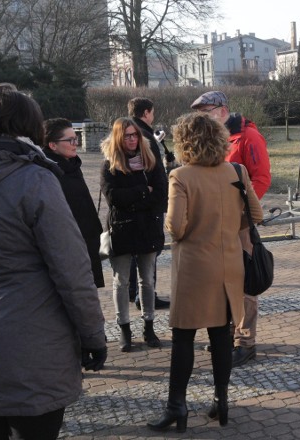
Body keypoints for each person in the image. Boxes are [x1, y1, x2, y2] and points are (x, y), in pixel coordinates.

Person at [0, 84, 106, 440]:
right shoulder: (35, 179)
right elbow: (72, 269)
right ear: (31, 127)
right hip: (32, 341)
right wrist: (93, 335)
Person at [148, 112, 262, 432]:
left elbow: (176, 227)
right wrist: (226, 231)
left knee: (184, 337)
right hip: (229, 265)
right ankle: (221, 402)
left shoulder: (181, 175)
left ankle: (177, 406)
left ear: (185, 142)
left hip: (194, 268)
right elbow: (256, 214)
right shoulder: (236, 170)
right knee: (221, 335)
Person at [190, 90, 271, 367]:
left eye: (207, 111)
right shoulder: (211, 140)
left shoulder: (249, 137)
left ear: (223, 111)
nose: (203, 117)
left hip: (239, 226)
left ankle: (245, 343)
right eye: (199, 113)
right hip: (215, 225)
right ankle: (224, 335)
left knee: (244, 286)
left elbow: (261, 178)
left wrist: (243, 210)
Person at [100, 117, 167, 351]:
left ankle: (149, 327)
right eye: (127, 135)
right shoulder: (110, 163)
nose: (132, 139)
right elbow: (114, 198)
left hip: (148, 228)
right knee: (121, 282)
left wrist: (135, 197)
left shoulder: (150, 160)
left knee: (147, 281)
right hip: (122, 229)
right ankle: (124, 329)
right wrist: (142, 192)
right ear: (119, 137)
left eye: (135, 135)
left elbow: (160, 193)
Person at [43, 118, 105, 288]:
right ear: (53, 145)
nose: (75, 143)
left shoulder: (72, 165)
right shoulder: (47, 172)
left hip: (87, 239)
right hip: (69, 247)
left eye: (76, 138)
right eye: (70, 140)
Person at [128, 97, 170, 310]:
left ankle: (137, 292)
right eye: (152, 112)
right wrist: (154, 193)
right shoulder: (141, 134)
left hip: (143, 201)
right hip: (149, 202)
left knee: (143, 248)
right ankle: (144, 295)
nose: (153, 116)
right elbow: (149, 169)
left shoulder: (132, 131)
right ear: (146, 112)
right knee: (150, 247)